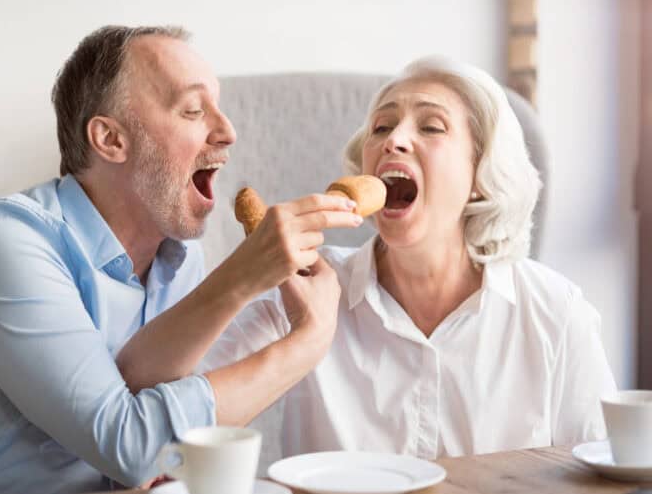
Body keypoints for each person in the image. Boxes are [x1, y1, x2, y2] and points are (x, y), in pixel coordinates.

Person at [0, 25, 363, 493]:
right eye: (193, 110)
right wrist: (307, 340)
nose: (228, 132)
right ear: (110, 139)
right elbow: (133, 448)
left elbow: (159, 430)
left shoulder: (180, 258)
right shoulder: (6, 242)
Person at [200, 56, 617, 460]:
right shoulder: (305, 284)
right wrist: (266, 298)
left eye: (431, 126)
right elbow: (182, 420)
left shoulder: (557, 314)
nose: (393, 140)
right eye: (381, 127)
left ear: (480, 173)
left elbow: (603, 471)